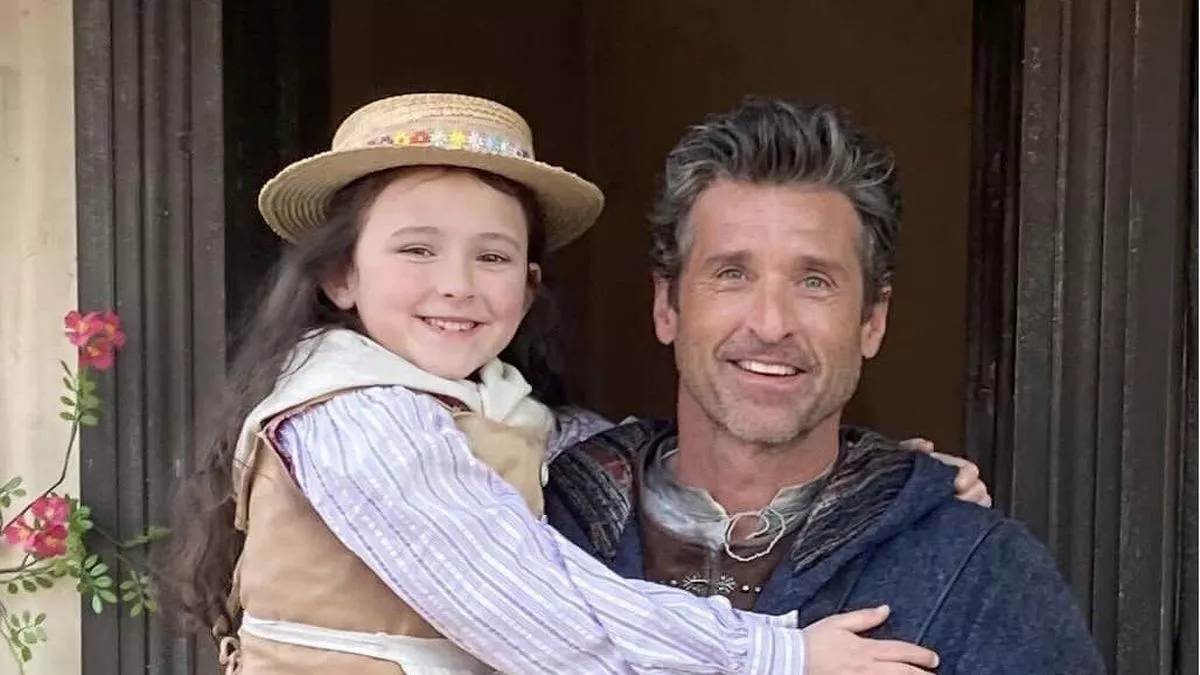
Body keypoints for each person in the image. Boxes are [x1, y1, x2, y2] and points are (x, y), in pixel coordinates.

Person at [160, 92, 990, 675]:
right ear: (339, 274)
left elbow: (591, 445)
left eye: (491, 256)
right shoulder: (354, 418)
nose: (456, 284)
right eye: (416, 249)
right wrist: (775, 652)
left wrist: (885, 480)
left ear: (527, 289)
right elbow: (532, 607)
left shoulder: (481, 403)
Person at [541, 97, 1107, 674]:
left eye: (814, 281)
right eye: (732, 274)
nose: (770, 324)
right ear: (667, 305)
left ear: (872, 321)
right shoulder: (539, 526)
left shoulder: (980, 574)